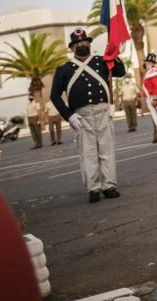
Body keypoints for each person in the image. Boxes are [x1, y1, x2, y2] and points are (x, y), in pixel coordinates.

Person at [50, 28, 125, 203]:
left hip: (102, 111)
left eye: (85, 42)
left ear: (89, 44)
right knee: (88, 153)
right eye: (78, 44)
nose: (82, 45)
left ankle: (109, 185)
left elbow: (121, 72)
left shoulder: (101, 61)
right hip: (81, 116)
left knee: (106, 150)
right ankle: (93, 188)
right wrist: (69, 115)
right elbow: (54, 96)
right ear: (72, 48)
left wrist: (114, 55)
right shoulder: (64, 69)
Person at [142, 53, 157, 143]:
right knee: (156, 117)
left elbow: (156, 86)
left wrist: (155, 98)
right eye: (147, 62)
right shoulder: (149, 72)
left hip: (153, 97)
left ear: (152, 63)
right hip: (150, 97)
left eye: (149, 62)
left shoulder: (153, 72)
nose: (147, 63)